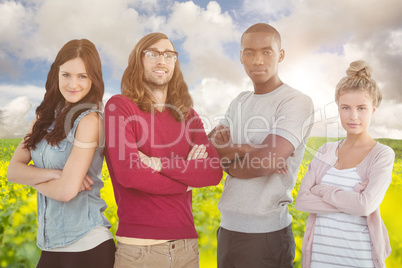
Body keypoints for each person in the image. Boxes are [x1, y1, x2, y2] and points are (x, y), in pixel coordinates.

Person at [104, 32, 222, 268]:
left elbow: (212, 172)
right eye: (152, 54)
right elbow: (130, 173)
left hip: (187, 249)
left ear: (175, 63)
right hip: (139, 250)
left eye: (169, 55)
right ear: (138, 60)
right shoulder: (120, 107)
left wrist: (159, 164)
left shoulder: (188, 115)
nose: (162, 60)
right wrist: (187, 179)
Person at [208, 23, 314, 268]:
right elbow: (208, 148)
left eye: (266, 52)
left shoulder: (295, 101)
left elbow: (265, 162)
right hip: (227, 229)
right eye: (249, 52)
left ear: (281, 55)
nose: (257, 60)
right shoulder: (239, 101)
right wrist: (242, 151)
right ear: (241, 57)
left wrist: (225, 157)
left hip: (265, 235)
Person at [7, 39, 115, 267]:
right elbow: (12, 171)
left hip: (88, 245)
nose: (73, 84)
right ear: (56, 74)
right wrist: (55, 175)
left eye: (82, 76)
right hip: (49, 244)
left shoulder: (90, 120)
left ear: (93, 78)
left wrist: (33, 178)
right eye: (66, 75)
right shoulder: (43, 117)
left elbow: (66, 192)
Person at [295, 60, 394, 268]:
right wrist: (351, 203)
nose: (353, 116)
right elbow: (302, 200)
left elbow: (365, 205)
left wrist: (323, 190)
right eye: (346, 108)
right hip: (319, 260)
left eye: (361, 108)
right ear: (338, 108)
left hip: (360, 260)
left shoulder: (382, 155)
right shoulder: (325, 150)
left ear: (373, 110)